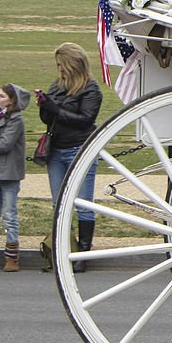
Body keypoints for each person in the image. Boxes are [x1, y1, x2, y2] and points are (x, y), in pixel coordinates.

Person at [39, 43, 103, 272]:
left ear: (72, 64)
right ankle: (63, 249)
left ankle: (83, 255)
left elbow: (86, 119)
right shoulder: (57, 86)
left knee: (83, 204)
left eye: (61, 65)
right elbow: (49, 120)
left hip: (79, 149)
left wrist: (55, 110)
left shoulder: (91, 90)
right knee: (58, 204)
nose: (59, 70)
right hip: (56, 150)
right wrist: (44, 108)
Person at [0, 84, 29, 272]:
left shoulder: (16, 121)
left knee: (9, 215)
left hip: (9, 174)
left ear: (12, 100)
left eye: (2, 96)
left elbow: (5, 144)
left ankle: (12, 257)